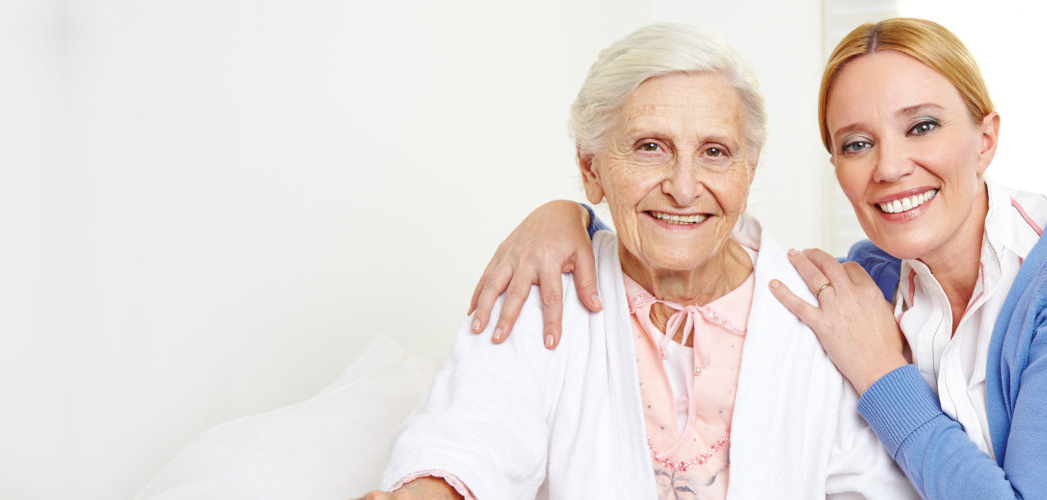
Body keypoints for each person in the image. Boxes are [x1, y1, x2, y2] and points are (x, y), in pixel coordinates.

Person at [462, 18, 1047, 499]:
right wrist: (565, 217)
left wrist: (885, 377)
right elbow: (706, 231)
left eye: (923, 126)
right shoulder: (864, 283)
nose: (891, 167)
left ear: (987, 138)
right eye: (856, 143)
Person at [356, 23, 915, 500]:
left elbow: (872, 485)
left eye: (715, 153)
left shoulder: (823, 310)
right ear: (591, 168)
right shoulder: (544, 285)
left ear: (749, 171)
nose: (684, 187)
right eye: (650, 147)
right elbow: (466, 438)